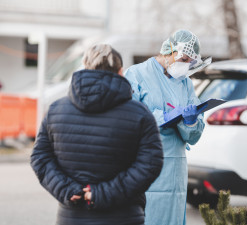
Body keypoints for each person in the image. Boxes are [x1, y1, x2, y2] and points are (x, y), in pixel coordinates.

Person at [31, 44, 163, 225]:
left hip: (72, 217)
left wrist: (67, 189)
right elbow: (151, 163)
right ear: (120, 71)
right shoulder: (140, 114)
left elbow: (40, 158)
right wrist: (103, 193)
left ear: (85, 67)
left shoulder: (56, 110)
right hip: (123, 217)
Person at [125, 29, 207, 225]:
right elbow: (128, 117)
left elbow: (194, 136)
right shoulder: (136, 74)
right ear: (170, 50)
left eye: (190, 63)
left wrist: (191, 122)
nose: (186, 66)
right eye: (184, 59)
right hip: (146, 164)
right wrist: (163, 117)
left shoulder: (185, 83)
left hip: (175, 171)